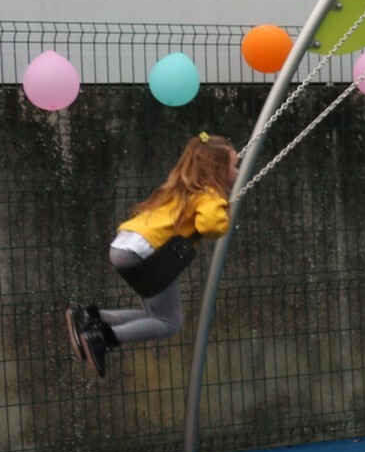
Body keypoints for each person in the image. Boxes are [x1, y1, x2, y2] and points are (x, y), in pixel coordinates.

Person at [66, 133, 237, 378]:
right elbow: (211, 227)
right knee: (170, 323)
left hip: (123, 246)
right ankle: (102, 337)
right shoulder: (209, 195)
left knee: (158, 317)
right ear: (218, 172)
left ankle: (88, 317)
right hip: (147, 253)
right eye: (233, 166)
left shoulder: (178, 188)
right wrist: (223, 206)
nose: (237, 171)